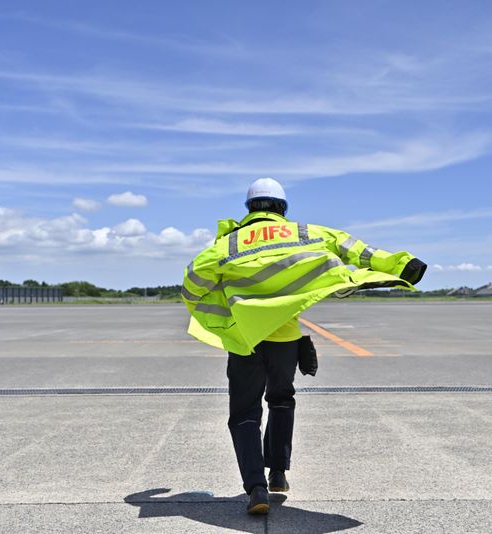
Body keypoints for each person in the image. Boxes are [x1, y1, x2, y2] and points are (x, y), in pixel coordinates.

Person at [182, 178, 426, 514]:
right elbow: (354, 248)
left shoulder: (229, 245)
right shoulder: (303, 233)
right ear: (282, 208)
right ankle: (278, 472)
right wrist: (400, 264)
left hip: (244, 341)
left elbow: (192, 282)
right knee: (281, 400)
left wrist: (221, 307)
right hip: (285, 340)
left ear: (249, 209)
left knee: (244, 414)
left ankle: (256, 489)